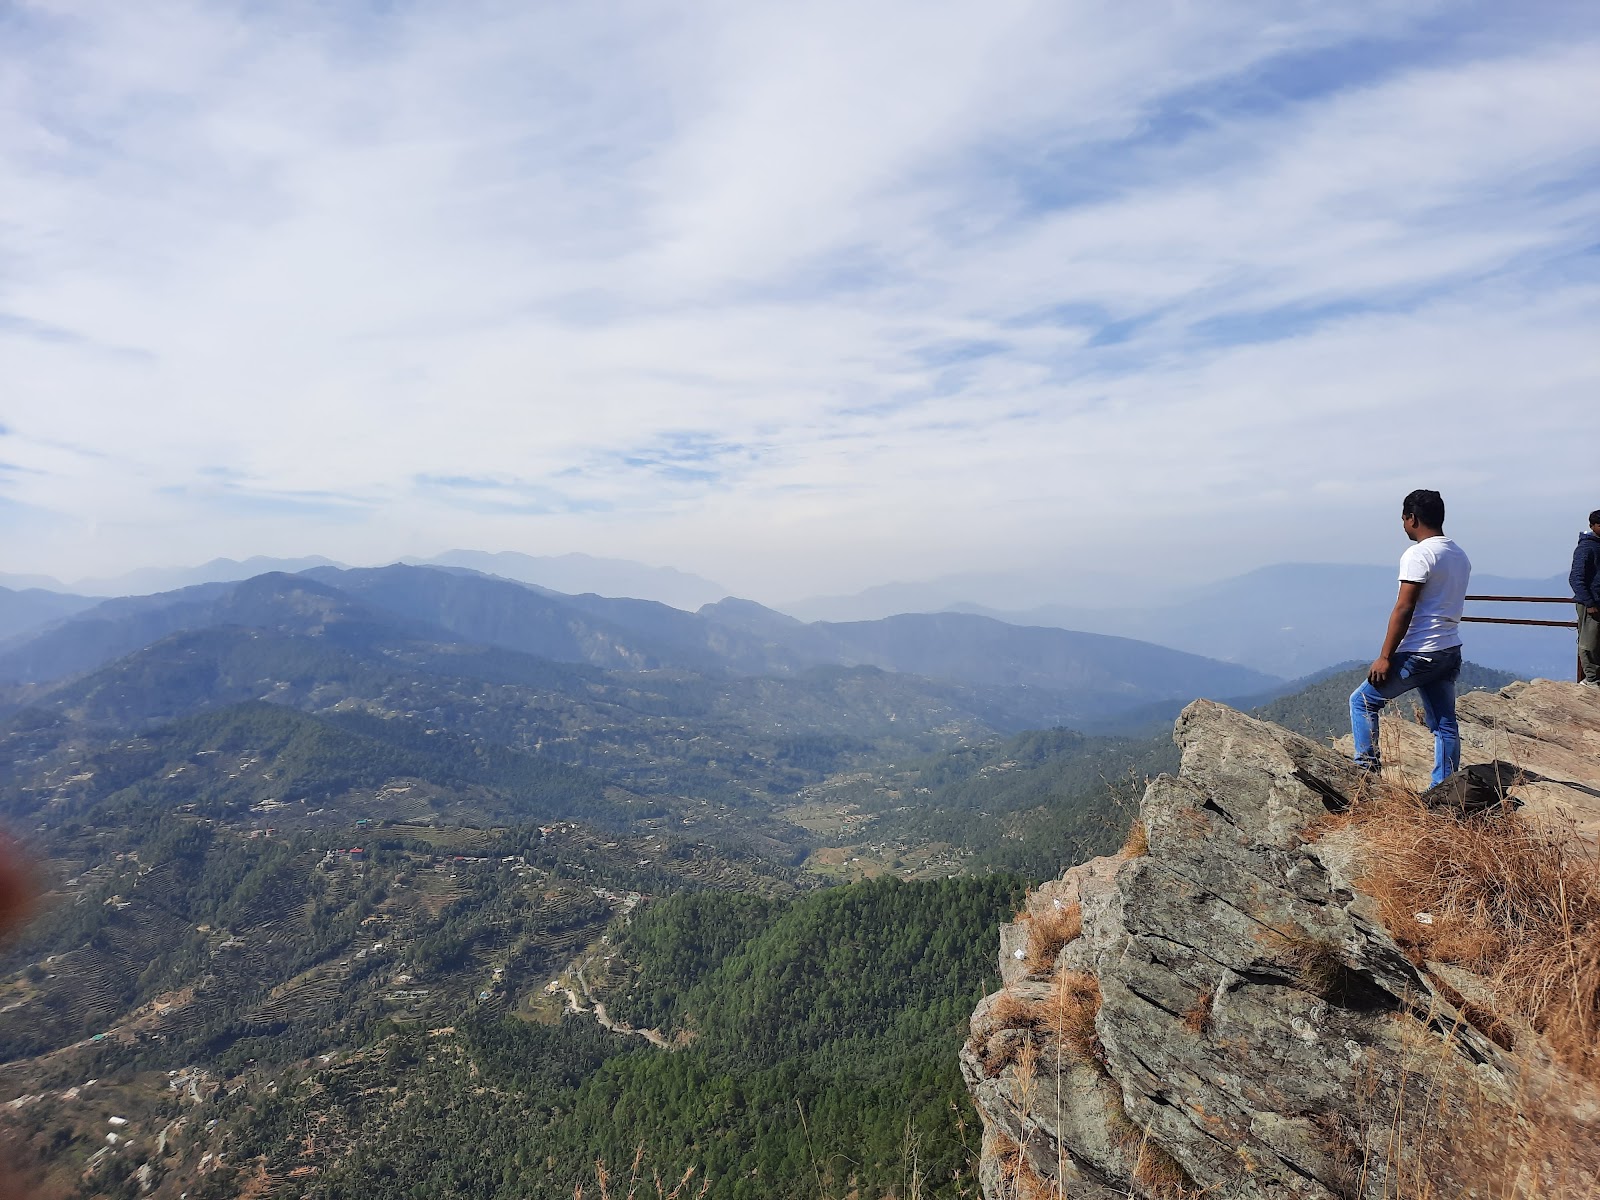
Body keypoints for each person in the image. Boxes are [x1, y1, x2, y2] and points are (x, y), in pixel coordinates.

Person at [1349, 489, 1472, 786]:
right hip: (1448, 649)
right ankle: (1443, 788)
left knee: (1362, 702)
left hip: (1420, 651)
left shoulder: (1419, 554)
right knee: (1444, 725)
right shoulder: (1458, 554)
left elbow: (1404, 607)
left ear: (1412, 518)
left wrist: (1385, 657)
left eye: (1404, 519)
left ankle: (1366, 773)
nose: (1403, 525)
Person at [1571, 509, 1600, 688]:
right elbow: (1576, 577)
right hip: (1591, 603)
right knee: (1589, 642)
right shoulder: (1586, 547)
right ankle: (1592, 679)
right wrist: (1588, 602)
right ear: (1592, 526)